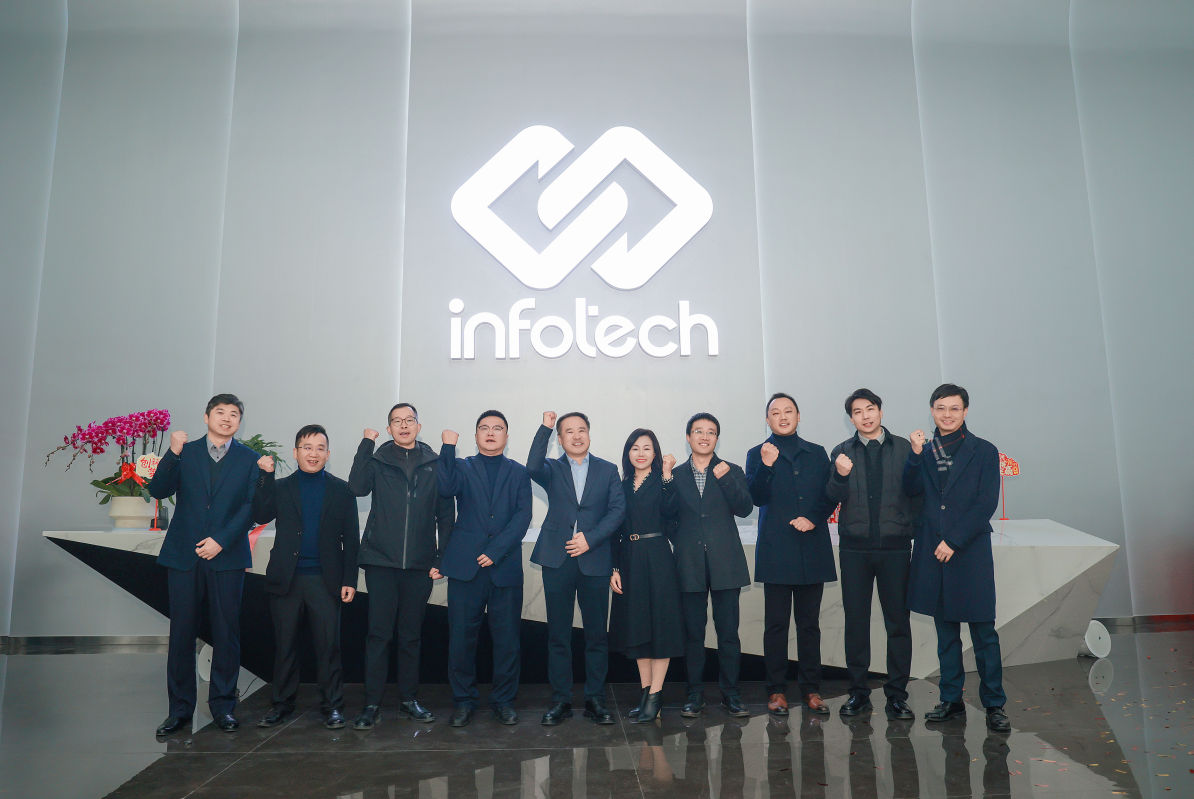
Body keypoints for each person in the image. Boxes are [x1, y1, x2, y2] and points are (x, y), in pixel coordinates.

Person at [147, 394, 258, 735]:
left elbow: (251, 507)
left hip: (227, 555)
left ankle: (223, 706)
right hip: (184, 555)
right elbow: (158, 489)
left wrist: (221, 540)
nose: (227, 418)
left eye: (234, 414)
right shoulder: (186, 451)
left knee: (227, 632)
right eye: (220, 412)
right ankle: (179, 710)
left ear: (239, 422)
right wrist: (172, 452)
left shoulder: (250, 459)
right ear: (206, 417)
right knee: (182, 633)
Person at [903, 383, 1010, 732]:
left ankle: (994, 704)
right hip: (933, 551)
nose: (947, 414)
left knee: (984, 634)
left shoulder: (984, 450)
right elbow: (910, 490)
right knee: (946, 634)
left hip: (969, 551)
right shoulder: (924, 450)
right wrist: (914, 455)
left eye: (954, 408)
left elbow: (986, 502)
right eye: (940, 408)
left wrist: (954, 540)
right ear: (931, 411)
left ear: (965, 411)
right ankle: (951, 700)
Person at [348, 403, 455, 729]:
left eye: (409, 420)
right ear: (389, 428)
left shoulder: (434, 463)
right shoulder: (378, 459)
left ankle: (409, 701)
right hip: (381, 561)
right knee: (378, 635)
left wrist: (442, 556)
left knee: (410, 637)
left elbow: (445, 515)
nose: (404, 425)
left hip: (420, 564)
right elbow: (356, 487)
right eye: (397, 421)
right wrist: (366, 443)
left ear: (418, 427)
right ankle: (371, 704)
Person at [252, 425, 360, 730]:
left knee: (328, 648)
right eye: (307, 447)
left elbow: (352, 539)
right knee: (285, 646)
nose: (313, 454)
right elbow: (260, 514)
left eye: (320, 448)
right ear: (296, 452)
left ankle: (333, 706)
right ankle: (281, 705)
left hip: (326, 580)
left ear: (328, 453)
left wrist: (349, 579)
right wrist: (265, 476)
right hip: (286, 579)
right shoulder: (281, 486)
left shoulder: (342, 490)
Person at [825, 389, 918, 720]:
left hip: (895, 548)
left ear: (880, 411)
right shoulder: (841, 451)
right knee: (856, 623)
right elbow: (830, 497)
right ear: (851, 418)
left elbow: (918, 492)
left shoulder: (905, 448)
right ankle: (858, 693)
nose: (865, 416)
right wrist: (840, 474)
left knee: (898, 623)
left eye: (870, 409)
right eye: (857, 411)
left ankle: (897, 695)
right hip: (854, 549)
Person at [528, 411, 625, 726]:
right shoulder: (551, 469)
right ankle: (561, 700)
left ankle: (595, 699)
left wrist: (590, 539)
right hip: (557, 559)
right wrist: (545, 427)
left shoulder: (608, 470)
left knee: (596, 635)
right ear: (560, 439)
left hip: (595, 559)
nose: (576, 435)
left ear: (589, 434)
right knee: (558, 635)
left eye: (581, 430)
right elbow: (531, 466)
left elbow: (617, 511)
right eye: (568, 431)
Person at [437, 411, 532, 727]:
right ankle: (463, 701)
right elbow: (445, 488)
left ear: (506, 436)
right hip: (466, 567)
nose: (491, 433)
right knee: (461, 639)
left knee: (507, 641)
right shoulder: (462, 466)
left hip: (504, 567)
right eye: (484, 428)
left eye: (497, 428)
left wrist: (495, 551)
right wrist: (448, 448)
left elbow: (523, 516)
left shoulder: (519, 472)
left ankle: (503, 701)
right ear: (476, 435)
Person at [744, 393, 836, 716]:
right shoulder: (757, 454)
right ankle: (776, 691)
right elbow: (755, 497)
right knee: (776, 626)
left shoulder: (817, 453)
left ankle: (811, 689)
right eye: (775, 412)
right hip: (777, 550)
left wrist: (813, 517)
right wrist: (766, 466)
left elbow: (831, 494)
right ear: (767, 419)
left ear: (798, 416)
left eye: (788, 411)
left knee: (809, 625)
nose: (782, 417)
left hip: (812, 547)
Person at [667, 412, 754, 718]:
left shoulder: (732, 470)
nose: (704, 437)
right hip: (688, 563)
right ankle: (695, 694)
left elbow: (745, 508)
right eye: (698, 431)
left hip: (725, 563)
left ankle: (731, 694)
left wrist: (725, 478)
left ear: (717, 438)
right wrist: (685, 541)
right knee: (693, 634)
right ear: (688, 437)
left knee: (728, 633)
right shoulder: (675, 475)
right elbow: (667, 517)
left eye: (711, 432)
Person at [608, 429, 685, 724]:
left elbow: (671, 510)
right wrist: (614, 568)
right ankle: (646, 693)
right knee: (637, 628)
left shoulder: (663, 481)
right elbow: (615, 529)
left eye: (647, 448)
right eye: (635, 448)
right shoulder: (621, 484)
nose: (641, 453)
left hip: (658, 557)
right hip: (629, 559)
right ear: (628, 453)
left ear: (655, 453)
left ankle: (656, 695)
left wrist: (667, 476)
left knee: (660, 628)